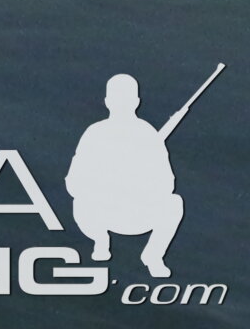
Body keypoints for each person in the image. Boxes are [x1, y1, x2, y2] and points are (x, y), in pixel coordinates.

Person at [68, 73, 186, 279]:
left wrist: (139, 183)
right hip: (100, 213)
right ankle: (100, 240)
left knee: (174, 203)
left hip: (139, 213)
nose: (121, 104)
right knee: (80, 202)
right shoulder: (95, 133)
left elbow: (168, 183)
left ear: (136, 102)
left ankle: (153, 255)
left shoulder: (148, 135)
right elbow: (74, 181)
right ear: (107, 102)